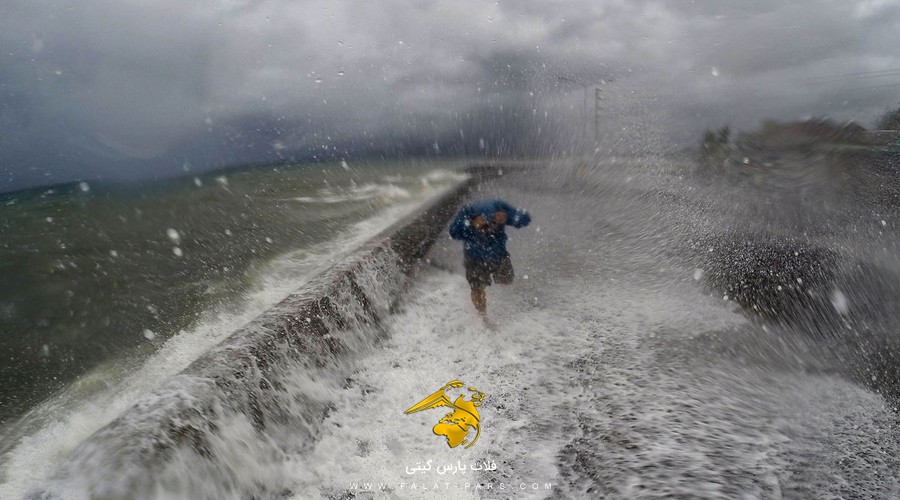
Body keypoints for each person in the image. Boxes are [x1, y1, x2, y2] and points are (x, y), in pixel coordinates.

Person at [449, 199, 531, 317]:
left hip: (498, 255)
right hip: (474, 258)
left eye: (492, 222)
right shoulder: (467, 211)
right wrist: (471, 225)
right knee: (477, 288)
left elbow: (525, 218)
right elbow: (453, 232)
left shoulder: (500, 207)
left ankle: (505, 303)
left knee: (507, 280)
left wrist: (507, 217)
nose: (488, 227)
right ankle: (483, 317)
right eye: (485, 223)